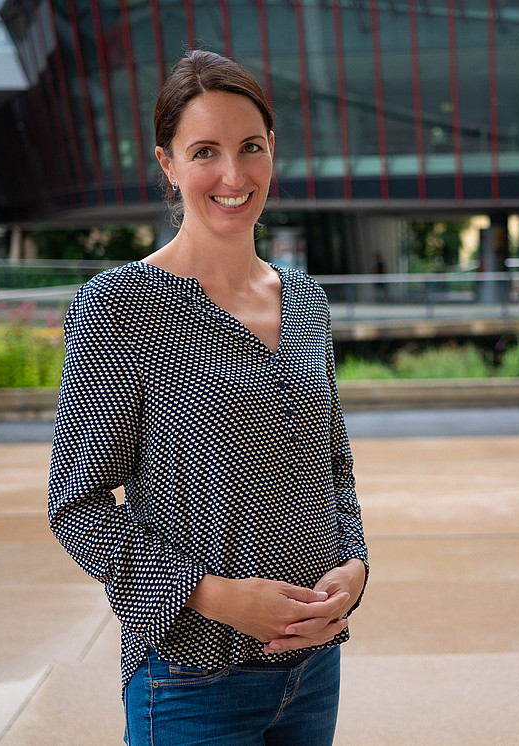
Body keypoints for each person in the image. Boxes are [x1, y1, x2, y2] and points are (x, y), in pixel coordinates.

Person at [47, 50, 368, 746]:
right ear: (166, 163)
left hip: (313, 674)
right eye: (205, 152)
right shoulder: (120, 307)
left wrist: (356, 566)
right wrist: (220, 598)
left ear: (272, 151)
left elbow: (335, 468)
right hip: (189, 679)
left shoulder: (307, 302)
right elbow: (76, 508)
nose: (233, 175)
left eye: (251, 147)